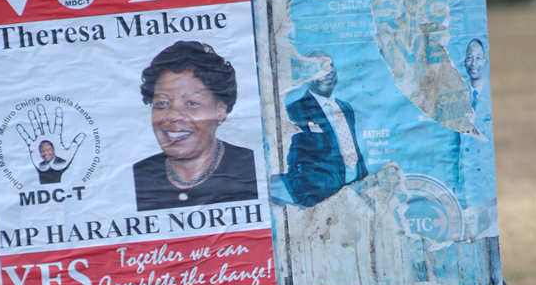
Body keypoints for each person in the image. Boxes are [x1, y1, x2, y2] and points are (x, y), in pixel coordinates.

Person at [133, 41, 257, 211]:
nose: (173, 115)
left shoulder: (253, 170)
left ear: (220, 110)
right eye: (162, 103)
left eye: (191, 103)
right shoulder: (136, 178)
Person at [271, 50, 366, 208]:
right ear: (306, 75)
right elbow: (290, 164)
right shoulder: (293, 111)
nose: (328, 73)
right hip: (320, 202)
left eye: (331, 67)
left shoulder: (345, 108)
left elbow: (353, 148)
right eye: (321, 68)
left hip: (354, 193)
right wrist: (305, 201)